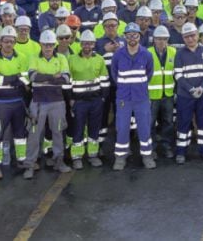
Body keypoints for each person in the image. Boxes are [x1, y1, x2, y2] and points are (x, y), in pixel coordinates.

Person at [23, 30, 72, 178]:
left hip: (57, 101)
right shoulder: (33, 58)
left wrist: (43, 78)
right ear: (40, 44)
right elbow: (32, 77)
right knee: (34, 133)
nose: (48, 48)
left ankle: (59, 160)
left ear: (54, 45)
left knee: (57, 131)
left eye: (50, 45)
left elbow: (66, 78)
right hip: (38, 102)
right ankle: (30, 164)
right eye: (45, 45)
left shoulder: (62, 58)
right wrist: (53, 76)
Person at [0, 26, 30, 180]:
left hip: (18, 102)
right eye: (6, 41)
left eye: (12, 42)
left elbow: (26, 79)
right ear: (1, 42)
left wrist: (10, 79)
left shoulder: (22, 58)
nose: (9, 44)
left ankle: (22, 159)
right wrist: (15, 78)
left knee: (20, 134)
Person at [111, 24, 155, 171]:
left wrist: (138, 87)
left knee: (144, 128)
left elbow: (149, 73)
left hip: (141, 98)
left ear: (139, 36)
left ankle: (147, 156)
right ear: (125, 36)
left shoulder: (147, 55)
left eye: (135, 35)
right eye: (129, 35)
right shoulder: (118, 55)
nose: (132, 38)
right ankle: (120, 157)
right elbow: (114, 74)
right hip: (124, 98)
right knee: (122, 128)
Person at [174, 22, 203, 164]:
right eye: (186, 37)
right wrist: (191, 89)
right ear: (183, 38)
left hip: (202, 95)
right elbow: (178, 75)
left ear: (197, 35)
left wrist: (202, 88)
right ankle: (181, 152)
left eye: (192, 35)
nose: (190, 39)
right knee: (183, 124)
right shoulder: (179, 54)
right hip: (185, 96)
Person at [68, 30, 108, 169]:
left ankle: (93, 155)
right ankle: (77, 157)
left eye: (90, 43)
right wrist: (71, 99)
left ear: (94, 44)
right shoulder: (71, 59)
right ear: (80, 44)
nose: (87, 46)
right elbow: (68, 82)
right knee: (78, 128)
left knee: (94, 129)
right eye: (85, 43)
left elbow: (104, 81)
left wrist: (102, 98)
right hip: (79, 102)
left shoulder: (99, 59)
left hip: (95, 101)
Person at [147, 26, 177, 159]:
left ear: (167, 40)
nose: (161, 42)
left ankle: (166, 147)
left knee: (168, 122)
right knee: (150, 123)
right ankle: (151, 148)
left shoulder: (173, 52)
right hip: (152, 96)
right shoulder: (147, 53)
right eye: (158, 39)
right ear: (153, 40)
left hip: (168, 95)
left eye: (164, 39)